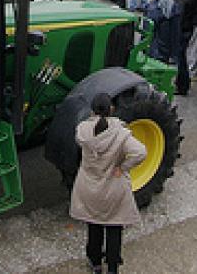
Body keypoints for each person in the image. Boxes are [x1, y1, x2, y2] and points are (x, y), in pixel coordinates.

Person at [69, 92, 146, 274]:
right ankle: (112, 268)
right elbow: (141, 152)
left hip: (89, 187)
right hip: (113, 188)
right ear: (111, 109)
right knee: (114, 229)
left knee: (94, 226)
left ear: (92, 111)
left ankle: (95, 263)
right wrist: (123, 167)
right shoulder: (120, 134)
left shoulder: (82, 130)